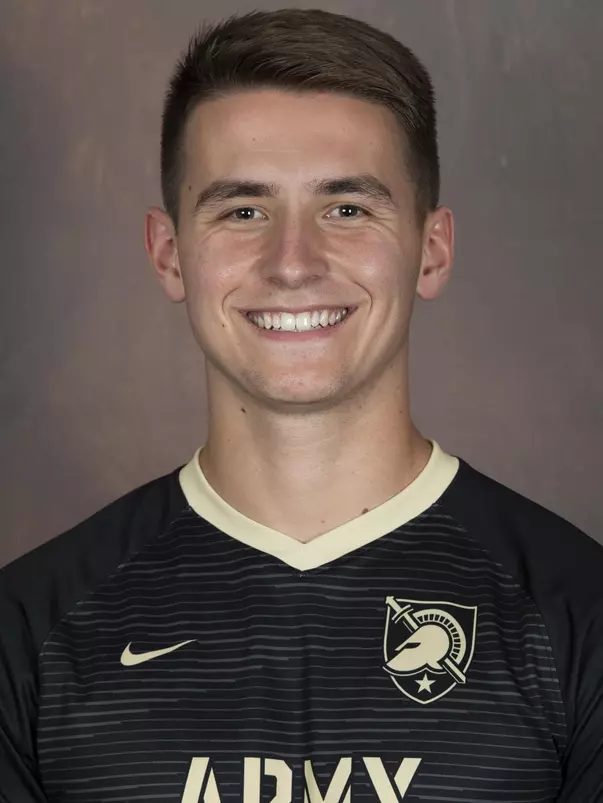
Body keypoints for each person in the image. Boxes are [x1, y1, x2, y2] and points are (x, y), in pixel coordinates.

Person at [1, 7, 602, 803]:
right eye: (243, 210)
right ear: (168, 253)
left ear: (431, 248)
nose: (292, 262)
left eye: (346, 208)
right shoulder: (30, 628)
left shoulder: (577, 612)